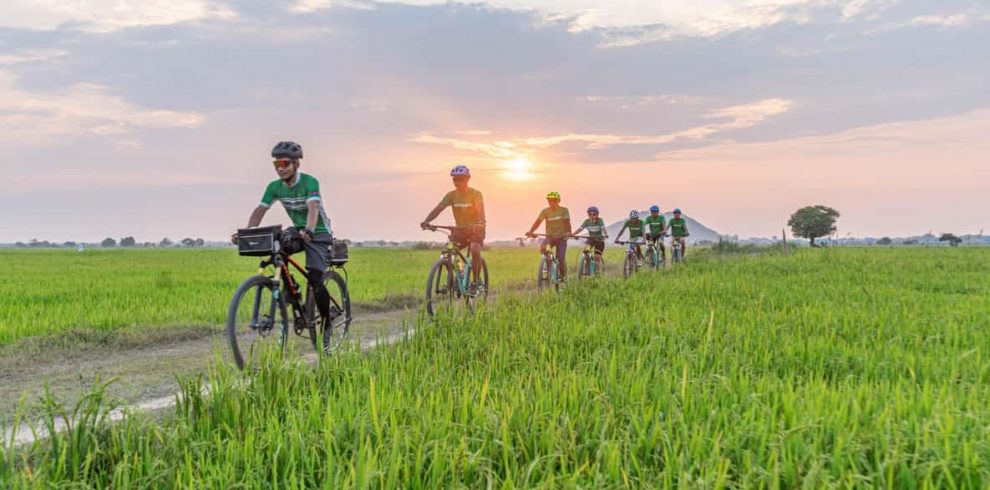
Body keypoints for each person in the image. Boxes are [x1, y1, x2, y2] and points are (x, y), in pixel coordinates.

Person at [233, 141, 335, 324]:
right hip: (297, 230)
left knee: (315, 279)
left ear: (296, 164)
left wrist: (310, 230)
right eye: (276, 164)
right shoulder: (274, 187)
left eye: (285, 164)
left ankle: (327, 324)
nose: (280, 169)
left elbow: (313, 208)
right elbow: (260, 210)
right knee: (277, 248)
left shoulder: (309, 182)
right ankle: (292, 291)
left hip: (318, 232)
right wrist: (246, 233)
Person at [421, 165, 486, 293]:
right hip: (459, 230)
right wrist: (427, 221)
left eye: (461, 179)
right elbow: (438, 208)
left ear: (467, 179)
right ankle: (458, 276)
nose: (457, 182)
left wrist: (480, 222)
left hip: (475, 229)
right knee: (448, 251)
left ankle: (476, 281)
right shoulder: (451, 195)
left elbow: (480, 210)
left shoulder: (475, 194)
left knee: (474, 249)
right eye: (455, 179)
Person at [526, 191, 572, 281]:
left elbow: (567, 222)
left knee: (561, 258)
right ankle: (550, 267)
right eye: (549, 201)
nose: (551, 203)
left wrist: (568, 232)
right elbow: (538, 222)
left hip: (561, 238)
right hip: (550, 237)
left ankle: (563, 277)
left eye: (554, 201)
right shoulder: (545, 211)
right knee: (543, 248)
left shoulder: (564, 210)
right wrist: (531, 231)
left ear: (558, 201)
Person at [572, 206, 607, 272]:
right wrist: (573, 234)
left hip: (599, 240)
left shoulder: (600, 220)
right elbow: (580, 229)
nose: (592, 215)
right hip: (590, 240)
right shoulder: (586, 221)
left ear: (597, 214)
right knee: (586, 252)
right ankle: (585, 267)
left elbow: (603, 228)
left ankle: (598, 273)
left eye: (594, 214)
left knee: (597, 257)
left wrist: (605, 234)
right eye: (590, 214)